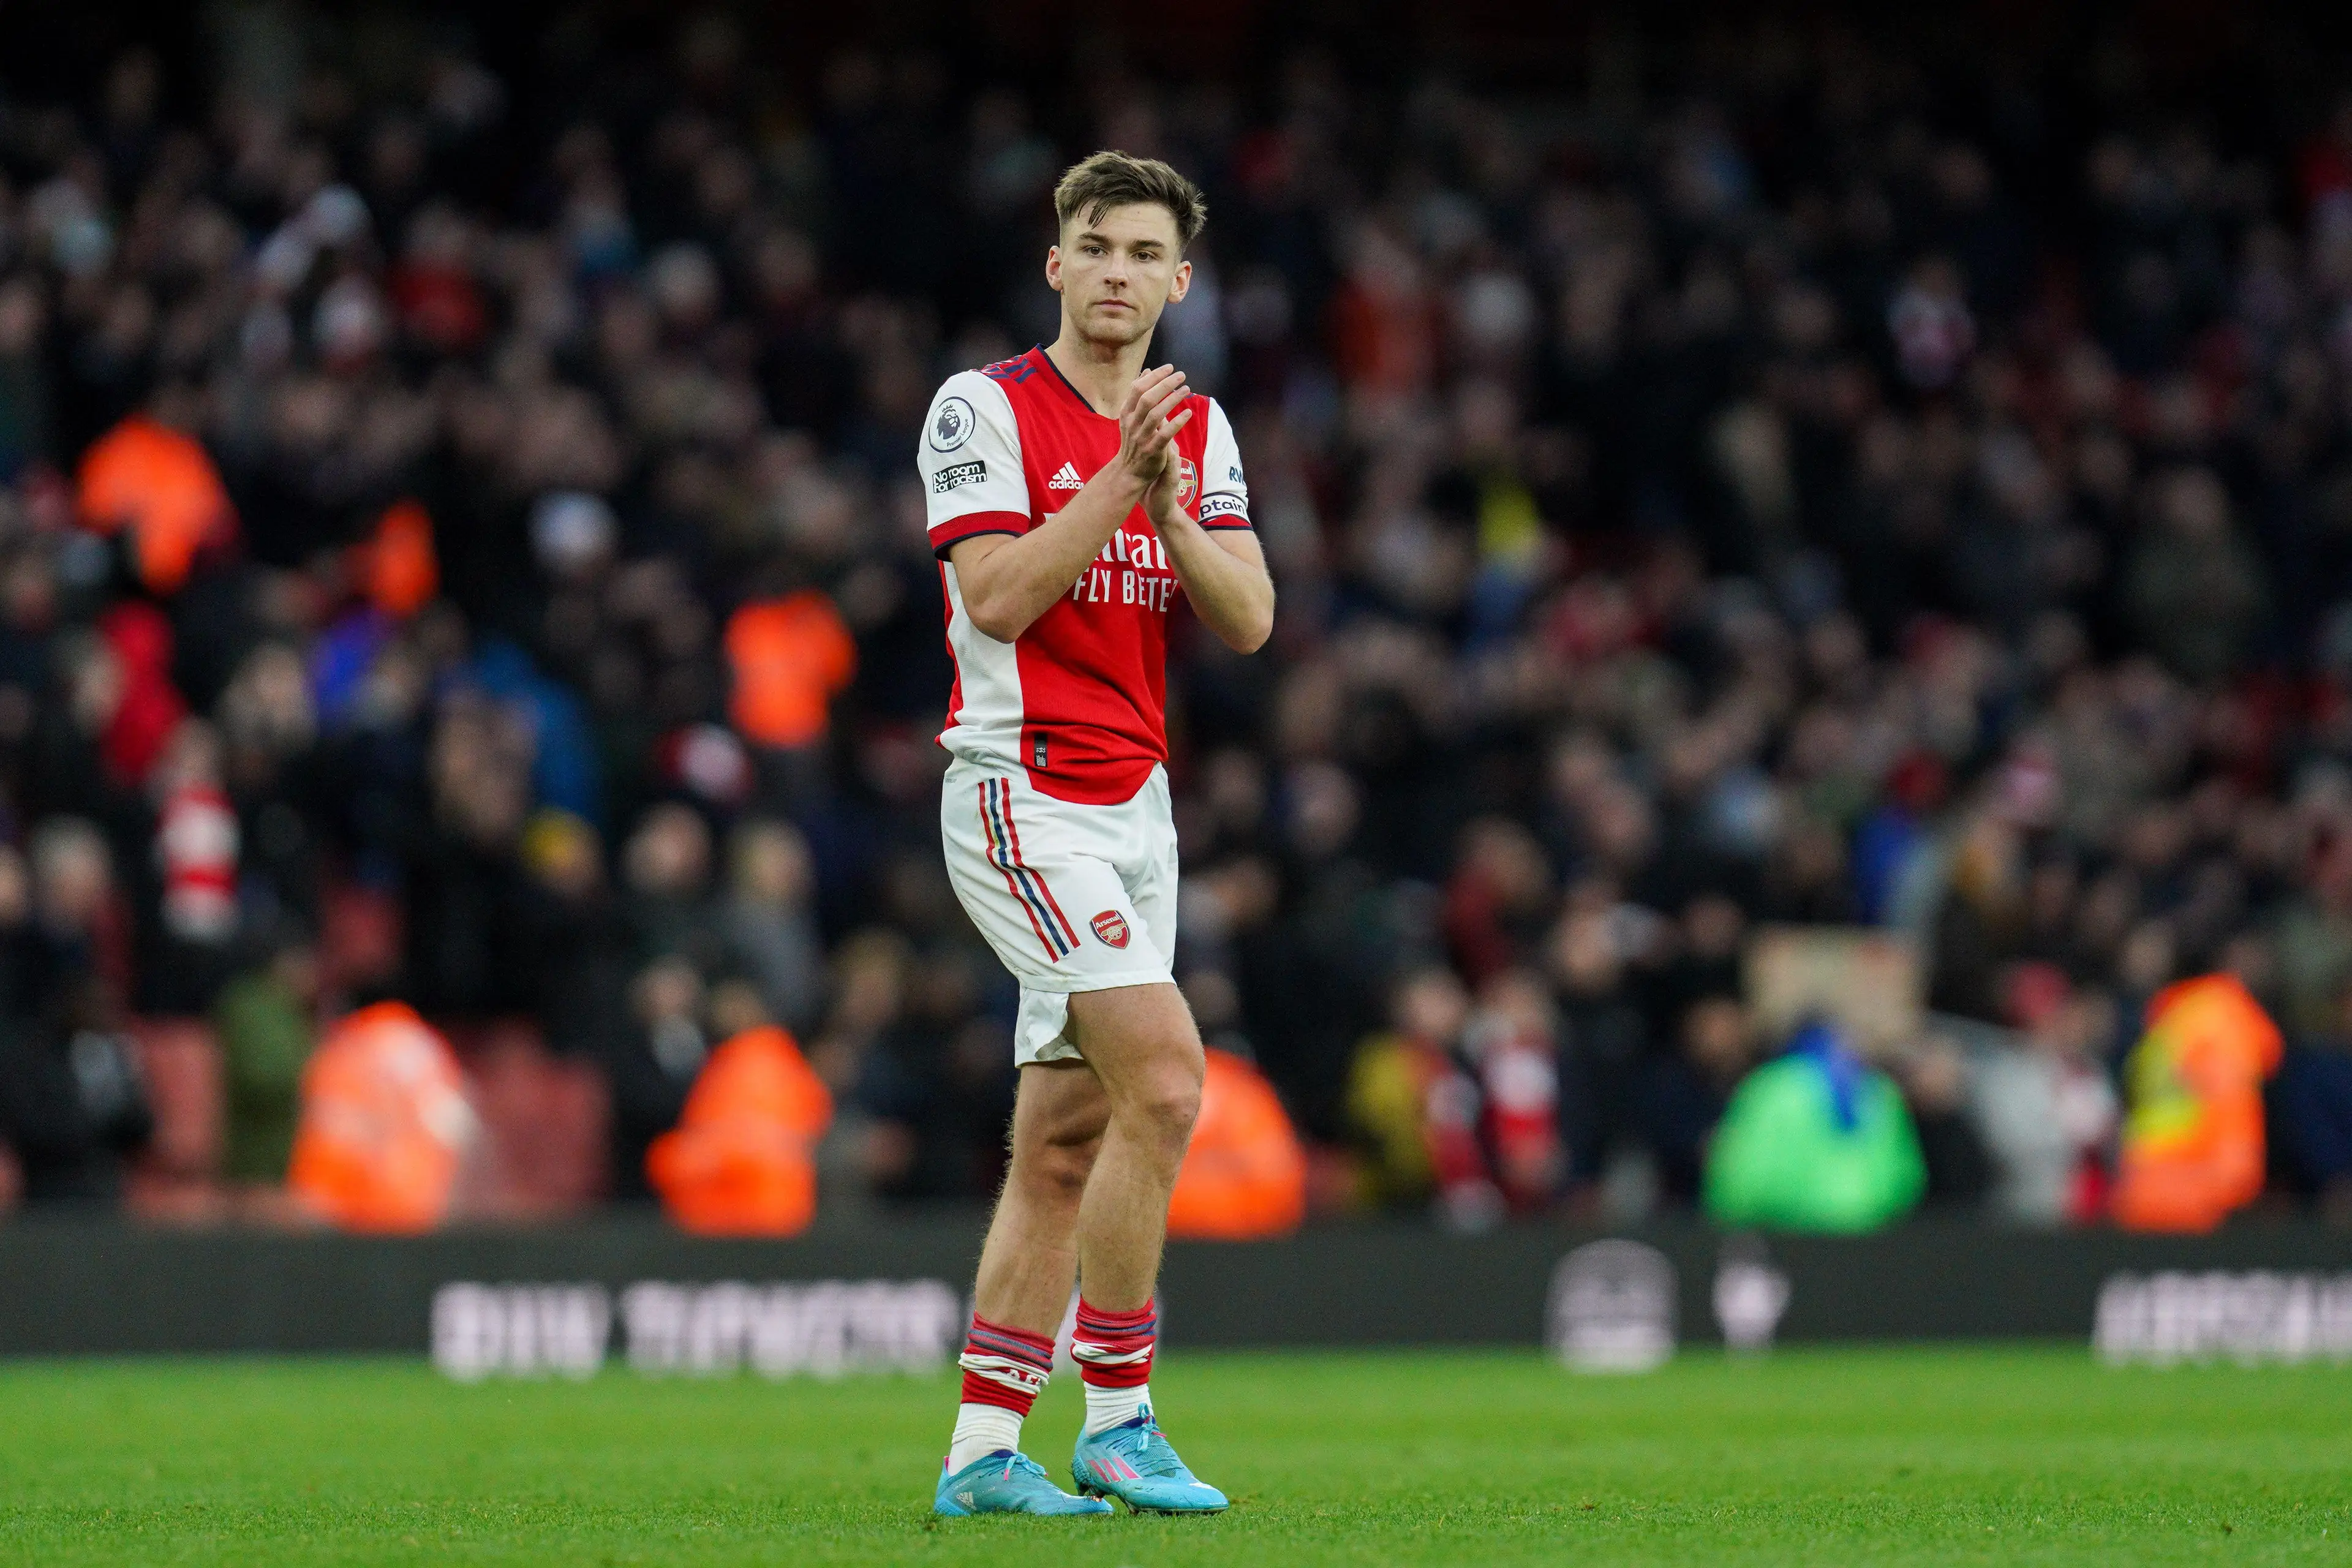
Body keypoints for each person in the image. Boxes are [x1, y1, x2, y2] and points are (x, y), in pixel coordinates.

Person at [918, 151, 1273, 1518]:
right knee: (1170, 1083)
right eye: (1095, 245)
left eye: (1144, 253)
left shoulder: (1201, 429)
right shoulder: (983, 408)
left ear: (1179, 282)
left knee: (1067, 1135)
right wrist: (1122, 484)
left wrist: (1172, 499)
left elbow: (1248, 618)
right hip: (1021, 788)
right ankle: (1118, 1411)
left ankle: (980, 1454)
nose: (1118, 270)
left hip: (1137, 811)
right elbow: (996, 596)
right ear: (1055, 263)